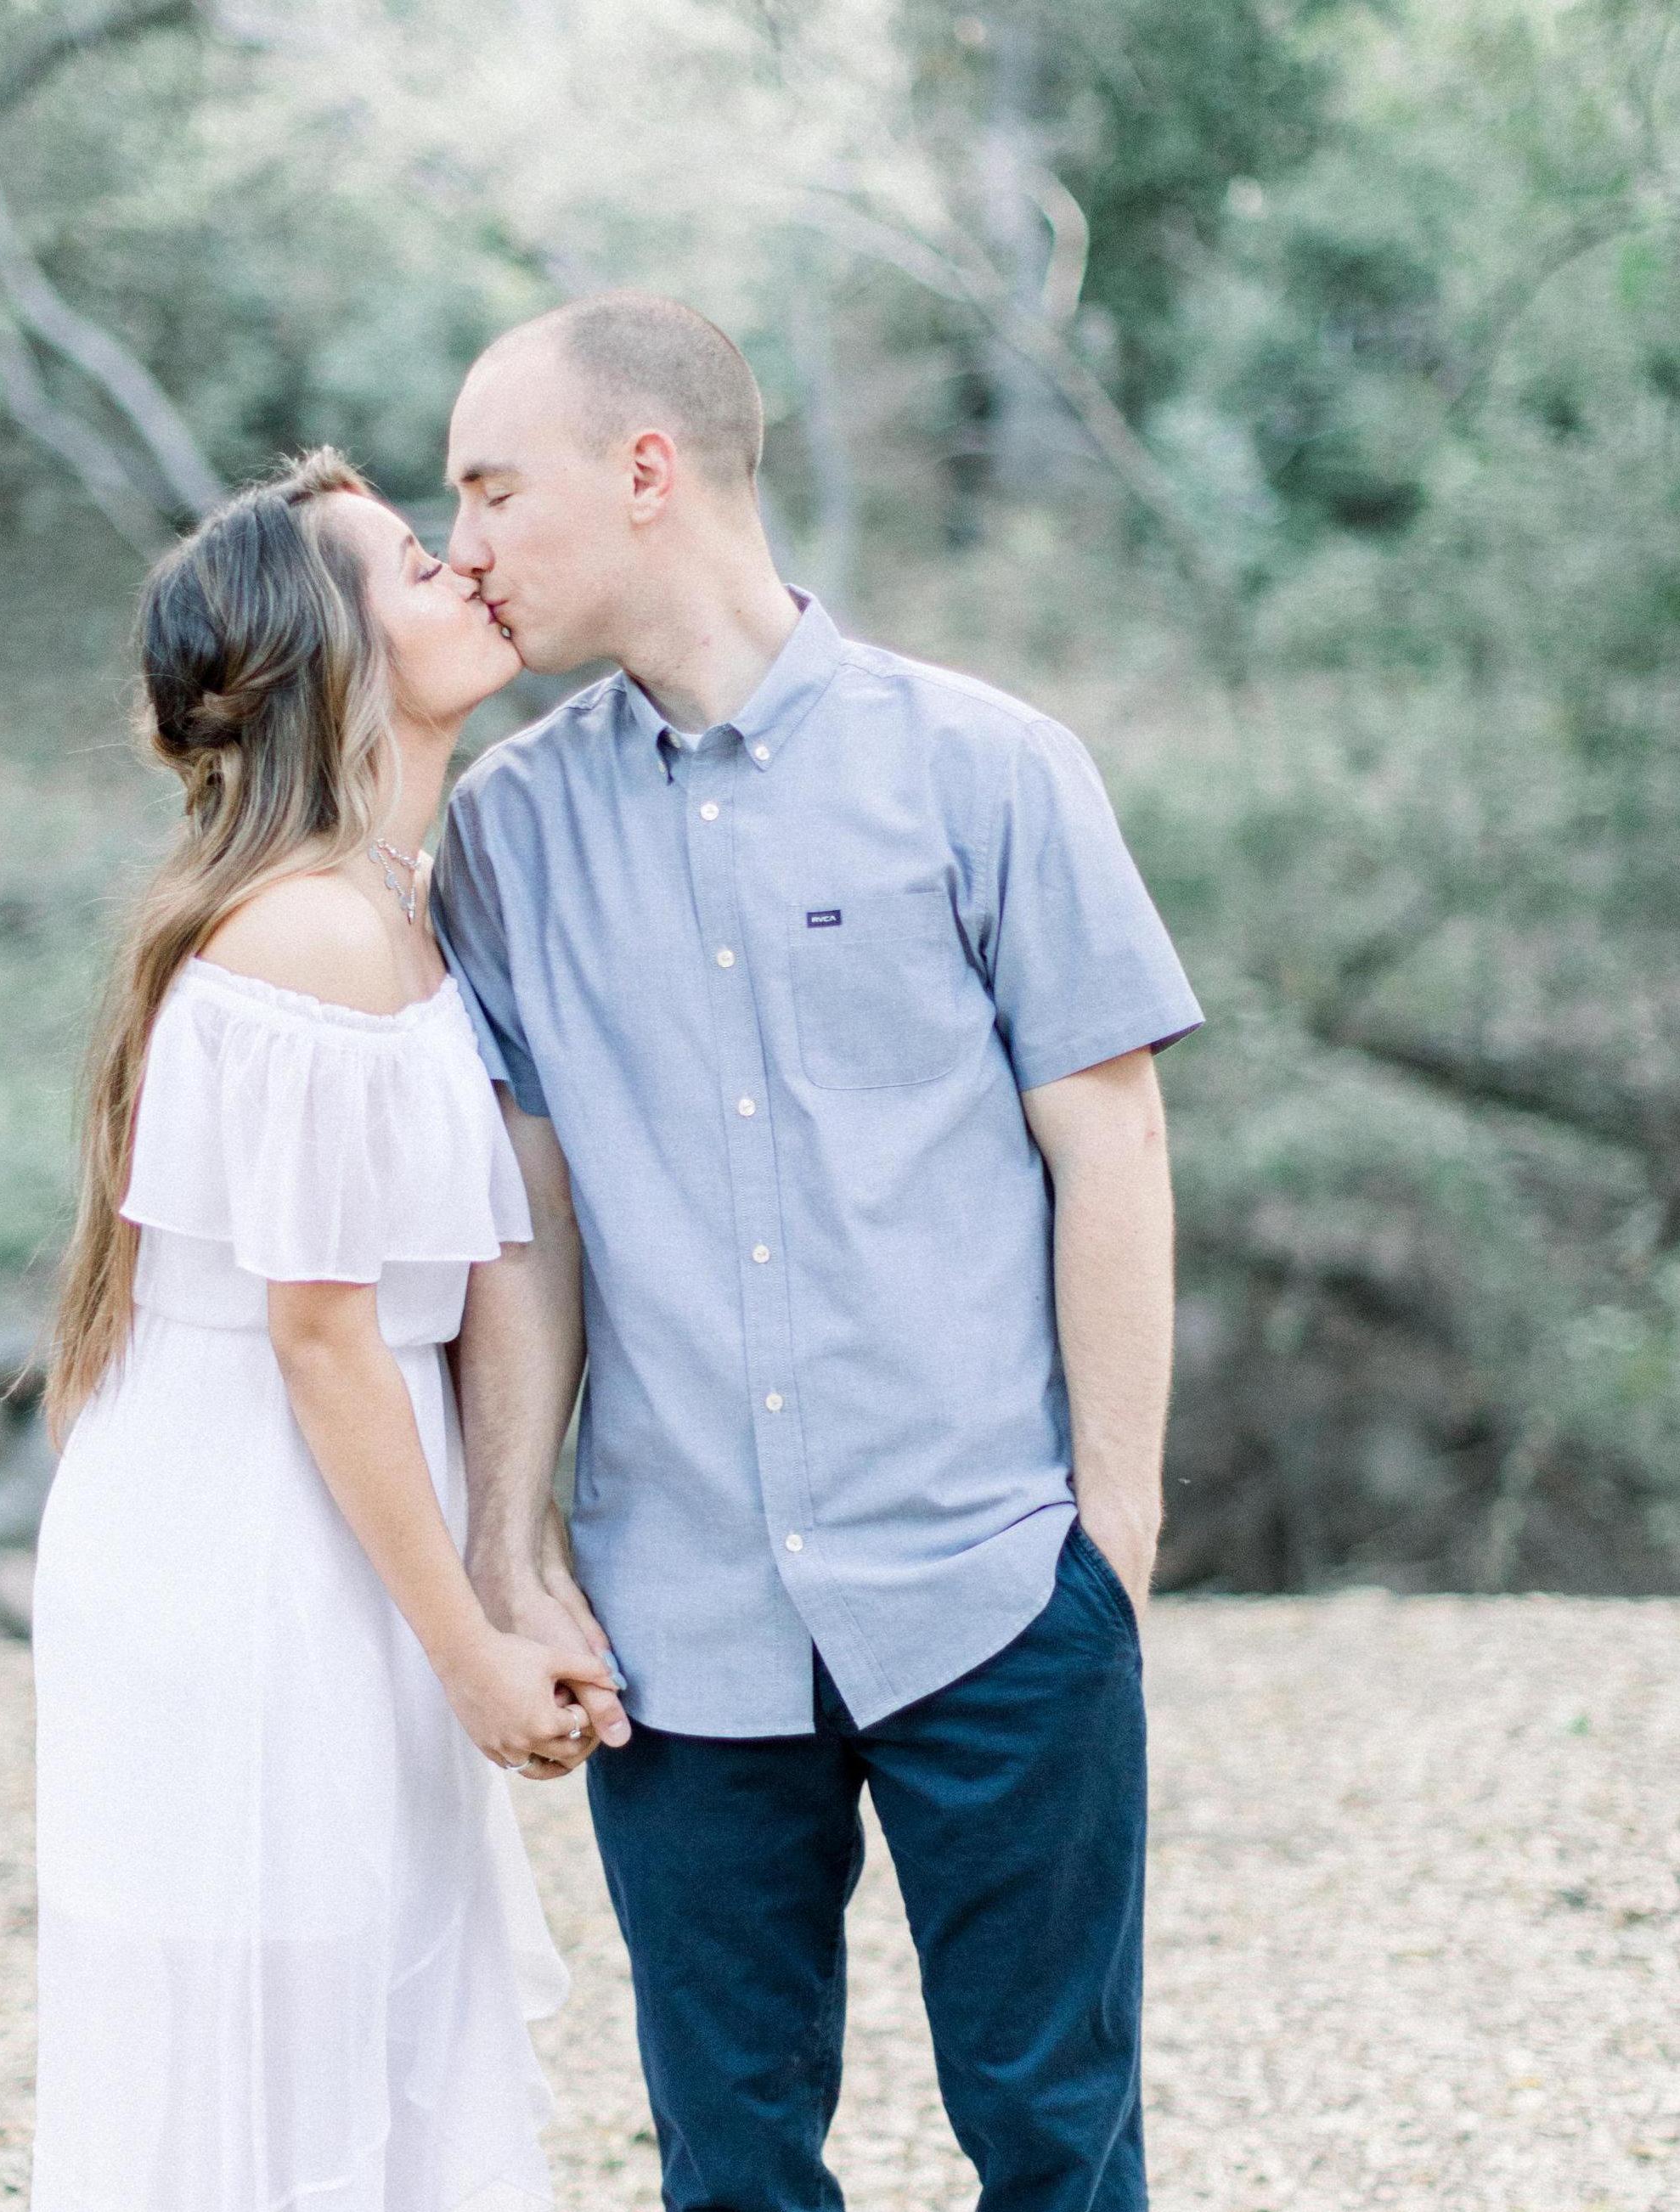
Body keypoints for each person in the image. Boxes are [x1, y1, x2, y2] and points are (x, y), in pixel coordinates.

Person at [431, 294, 1206, 2212]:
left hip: (990, 1584)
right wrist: (510, 1546)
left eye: (492, 489)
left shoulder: (989, 768)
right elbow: (527, 1223)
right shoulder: (504, 835)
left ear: (645, 470)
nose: (466, 546)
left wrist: (1108, 1534)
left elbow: (1109, 1142)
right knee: (730, 2168)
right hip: (675, 1626)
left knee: (1057, 2144)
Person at [29, 447, 625, 2212]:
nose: (464, 569)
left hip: (336, 1519)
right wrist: (470, 1649)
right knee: (281, 2040)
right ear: (327, 655)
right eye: (412, 564)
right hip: (256, 1542)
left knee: (366, 2015)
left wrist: (513, 1566)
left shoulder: (394, 902)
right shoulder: (310, 939)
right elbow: (323, 1339)